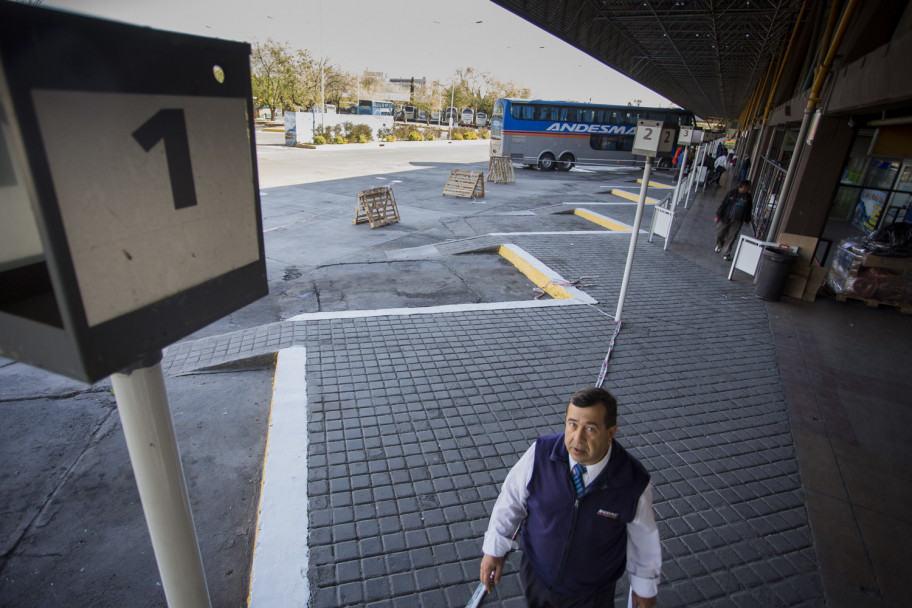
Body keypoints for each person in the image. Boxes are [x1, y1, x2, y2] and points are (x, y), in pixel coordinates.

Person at [479, 387, 661, 608]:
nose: (578, 438)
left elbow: (644, 541)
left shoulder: (633, 481)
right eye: (572, 424)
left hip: (591, 594)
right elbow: (510, 501)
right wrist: (494, 550)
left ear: (611, 432)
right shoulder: (540, 454)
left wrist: (644, 589)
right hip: (537, 579)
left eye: (590, 429)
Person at [714, 180, 754, 260]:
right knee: (719, 233)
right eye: (748, 187)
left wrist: (747, 220)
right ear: (744, 187)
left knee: (732, 236)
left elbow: (749, 208)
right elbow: (724, 204)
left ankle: (726, 253)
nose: (749, 189)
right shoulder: (732, 193)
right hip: (726, 217)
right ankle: (720, 244)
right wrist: (718, 215)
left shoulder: (748, 197)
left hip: (738, 220)